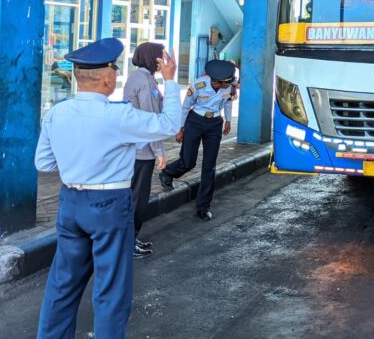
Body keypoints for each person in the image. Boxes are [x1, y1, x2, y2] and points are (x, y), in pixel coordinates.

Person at [35, 38, 181, 338]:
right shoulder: (119, 116)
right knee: (111, 288)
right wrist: (170, 80)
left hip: (70, 201)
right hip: (109, 203)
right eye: (114, 69)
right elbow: (169, 124)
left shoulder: (56, 114)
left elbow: (44, 164)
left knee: (63, 285)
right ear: (108, 77)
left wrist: (78, 164)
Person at [159, 59, 238, 221]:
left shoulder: (228, 86)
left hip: (215, 124)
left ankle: (203, 206)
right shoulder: (198, 85)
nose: (230, 84)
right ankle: (167, 172)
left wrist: (228, 120)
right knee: (188, 162)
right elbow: (185, 107)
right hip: (195, 122)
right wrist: (180, 129)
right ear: (216, 82)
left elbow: (228, 103)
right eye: (227, 82)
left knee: (209, 167)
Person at [123, 42, 167, 259]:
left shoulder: (136, 77)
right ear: (152, 58)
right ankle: (129, 242)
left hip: (134, 147)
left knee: (133, 197)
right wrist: (159, 151)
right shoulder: (146, 81)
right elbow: (151, 120)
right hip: (143, 151)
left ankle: (129, 239)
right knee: (138, 199)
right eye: (160, 57)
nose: (163, 61)